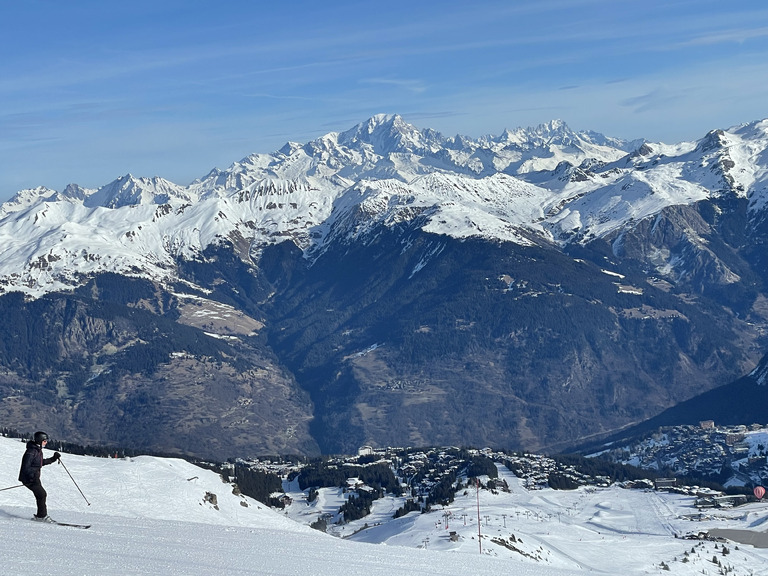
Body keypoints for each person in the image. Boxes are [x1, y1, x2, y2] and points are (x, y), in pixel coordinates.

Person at [18, 431, 60, 521]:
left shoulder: (37, 450)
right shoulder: (31, 452)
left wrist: (53, 458)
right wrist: (32, 474)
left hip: (34, 478)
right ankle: (41, 516)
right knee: (42, 494)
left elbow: (40, 463)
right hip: (30, 478)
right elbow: (26, 467)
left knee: (40, 495)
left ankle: (41, 516)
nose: (46, 442)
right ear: (40, 440)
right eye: (45, 441)